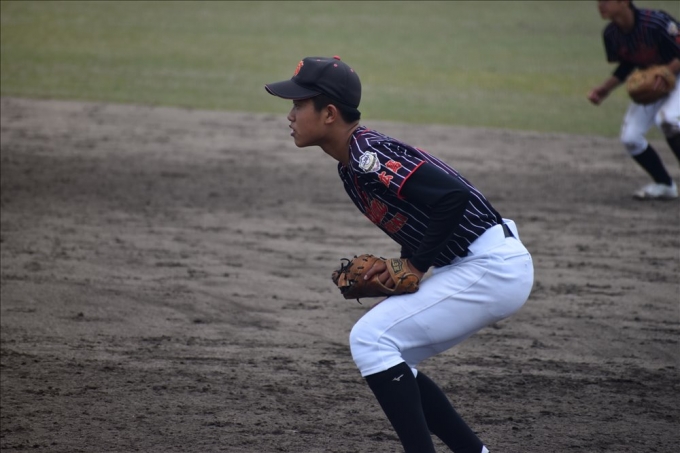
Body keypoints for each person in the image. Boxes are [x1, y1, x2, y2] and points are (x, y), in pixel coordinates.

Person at [265, 56, 534, 453]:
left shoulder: (367, 155)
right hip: (477, 264)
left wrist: (415, 265)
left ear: (329, 113)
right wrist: (401, 270)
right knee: (392, 356)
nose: (290, 115)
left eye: (299, 104)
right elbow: (419, 217)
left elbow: (453, 197)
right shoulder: (350, 166)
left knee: (371, 339)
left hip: (491, 266)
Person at [588, 0, 680, 200]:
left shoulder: (656, 22)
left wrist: (665, 72)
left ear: (624, 2)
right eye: (599, 1)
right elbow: (627, 64)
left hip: (676, 74)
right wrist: (605, 89)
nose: (600, 5)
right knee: (631, 138)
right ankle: (664, 184)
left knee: (668, 120)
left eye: (606, 1)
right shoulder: (611, 34)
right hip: (654, 81)